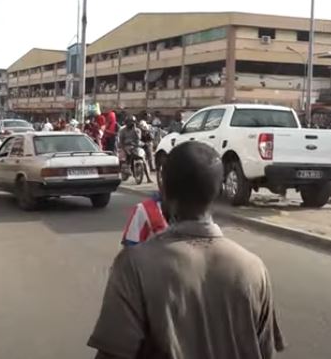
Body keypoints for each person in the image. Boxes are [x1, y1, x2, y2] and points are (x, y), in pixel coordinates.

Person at [89, 142, 284, 358]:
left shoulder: (134, 265)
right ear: (218, 190)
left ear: (164, 188)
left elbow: (113, 353)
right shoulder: (254, 268)